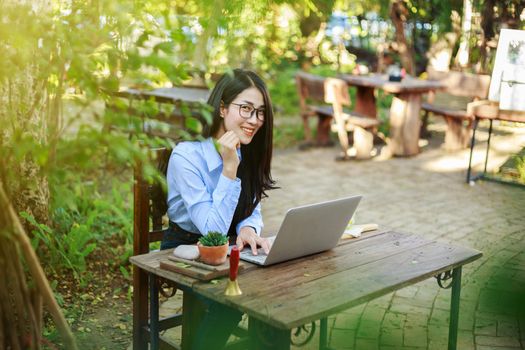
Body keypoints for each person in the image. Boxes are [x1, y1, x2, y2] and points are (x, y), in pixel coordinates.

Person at [161, 68, 277, 349]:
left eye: (260, 112)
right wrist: (228, 167)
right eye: (246, 109)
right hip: (184, 248)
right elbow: (212, 230)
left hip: (228, 247)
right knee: (232, 300)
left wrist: (248, 227)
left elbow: (251, 204)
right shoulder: (186, 156)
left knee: (276, 292)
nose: (254, 120)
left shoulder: (247, 146)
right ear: (222, 108)